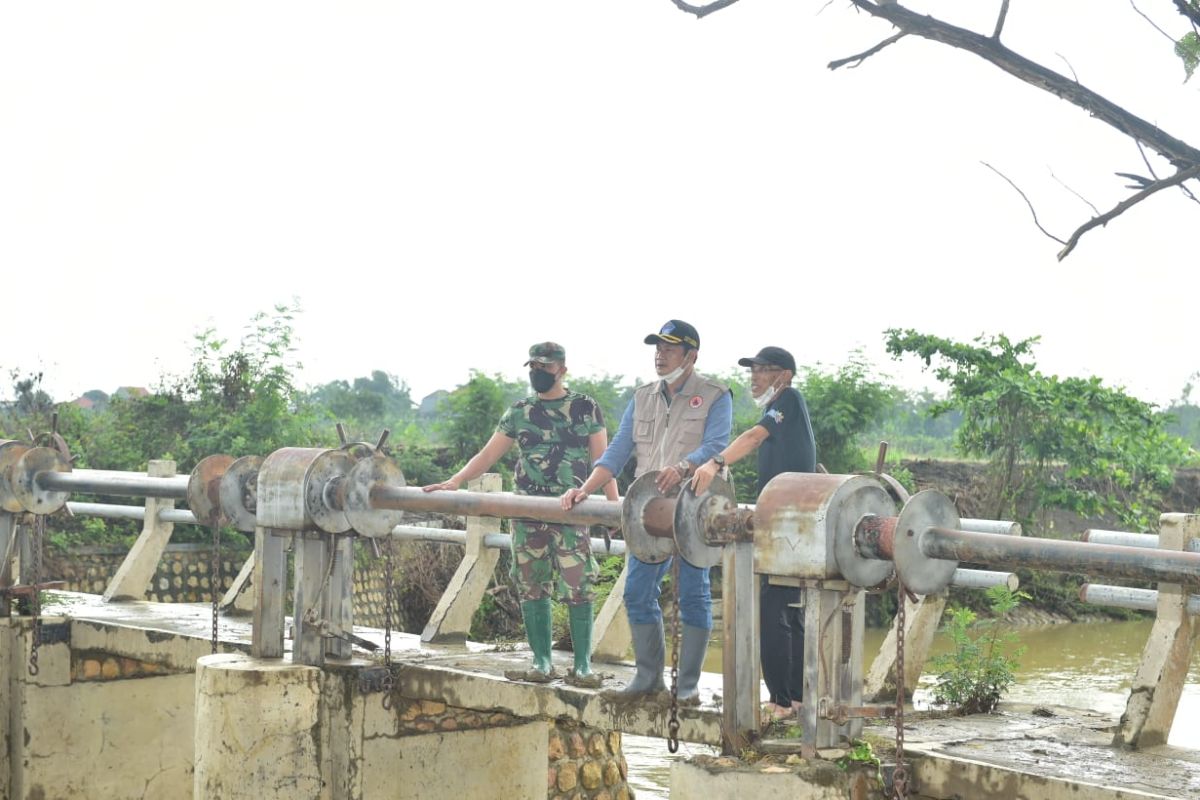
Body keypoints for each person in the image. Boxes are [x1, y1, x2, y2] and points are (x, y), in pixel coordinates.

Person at [424, 342, 618, 686]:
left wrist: (612, 507)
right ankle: (542, 663)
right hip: (526, 511)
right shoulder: (520, 411)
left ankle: (582, 666)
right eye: (533, 367)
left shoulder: (584, 407)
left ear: (562, 370)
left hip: (572, 509)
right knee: (531, 585)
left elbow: (604, 461)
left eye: (544, 367)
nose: (537, 373)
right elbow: (488, 455)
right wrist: (455, 481)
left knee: (579, 585)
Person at [562, 320, 732, 702]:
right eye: (657, 347)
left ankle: (687, 687)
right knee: (638, 592)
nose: (660, 354)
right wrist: (585, 489)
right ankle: (648, 677)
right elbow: (618, 451)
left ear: (691, 356)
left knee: (693, 594)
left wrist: (686, 466)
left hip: (694, 507)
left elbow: (718, 443)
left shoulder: (715, 395)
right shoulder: (642, 397)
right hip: (647, 510)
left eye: (669, 349)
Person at [692, 345, 816, 720]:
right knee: (790, 612)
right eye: (753, 370)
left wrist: (716, 462)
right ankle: (794, 699)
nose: (755, 376)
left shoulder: (788, 400)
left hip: (787, 522)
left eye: (764, 370)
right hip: (789, 519)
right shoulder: (780, 407)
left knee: (775, 611)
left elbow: (753, 437)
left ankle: (781, 701)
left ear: (785, 374)